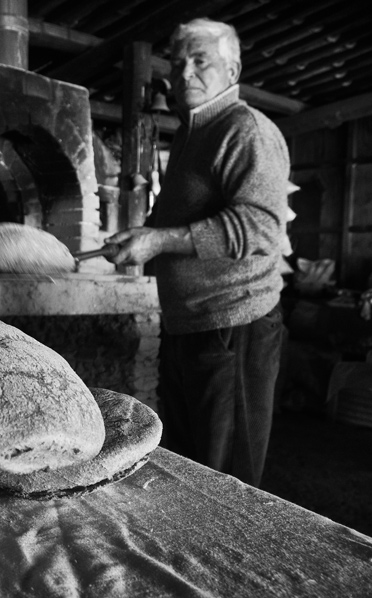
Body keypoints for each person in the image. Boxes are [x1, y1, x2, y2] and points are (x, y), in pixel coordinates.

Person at [106, 18, 290, 487]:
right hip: (190, 324)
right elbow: (184, 221)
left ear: (232, 69)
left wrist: (161, 240)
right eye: (178, 60)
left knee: (226, 477)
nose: (184, 71)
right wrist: (144, 235)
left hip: (233, 325)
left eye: (200, 60)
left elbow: (263, 229)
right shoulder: (193, 133)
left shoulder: (245, 129)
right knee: (191, 466)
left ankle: (236, 559)